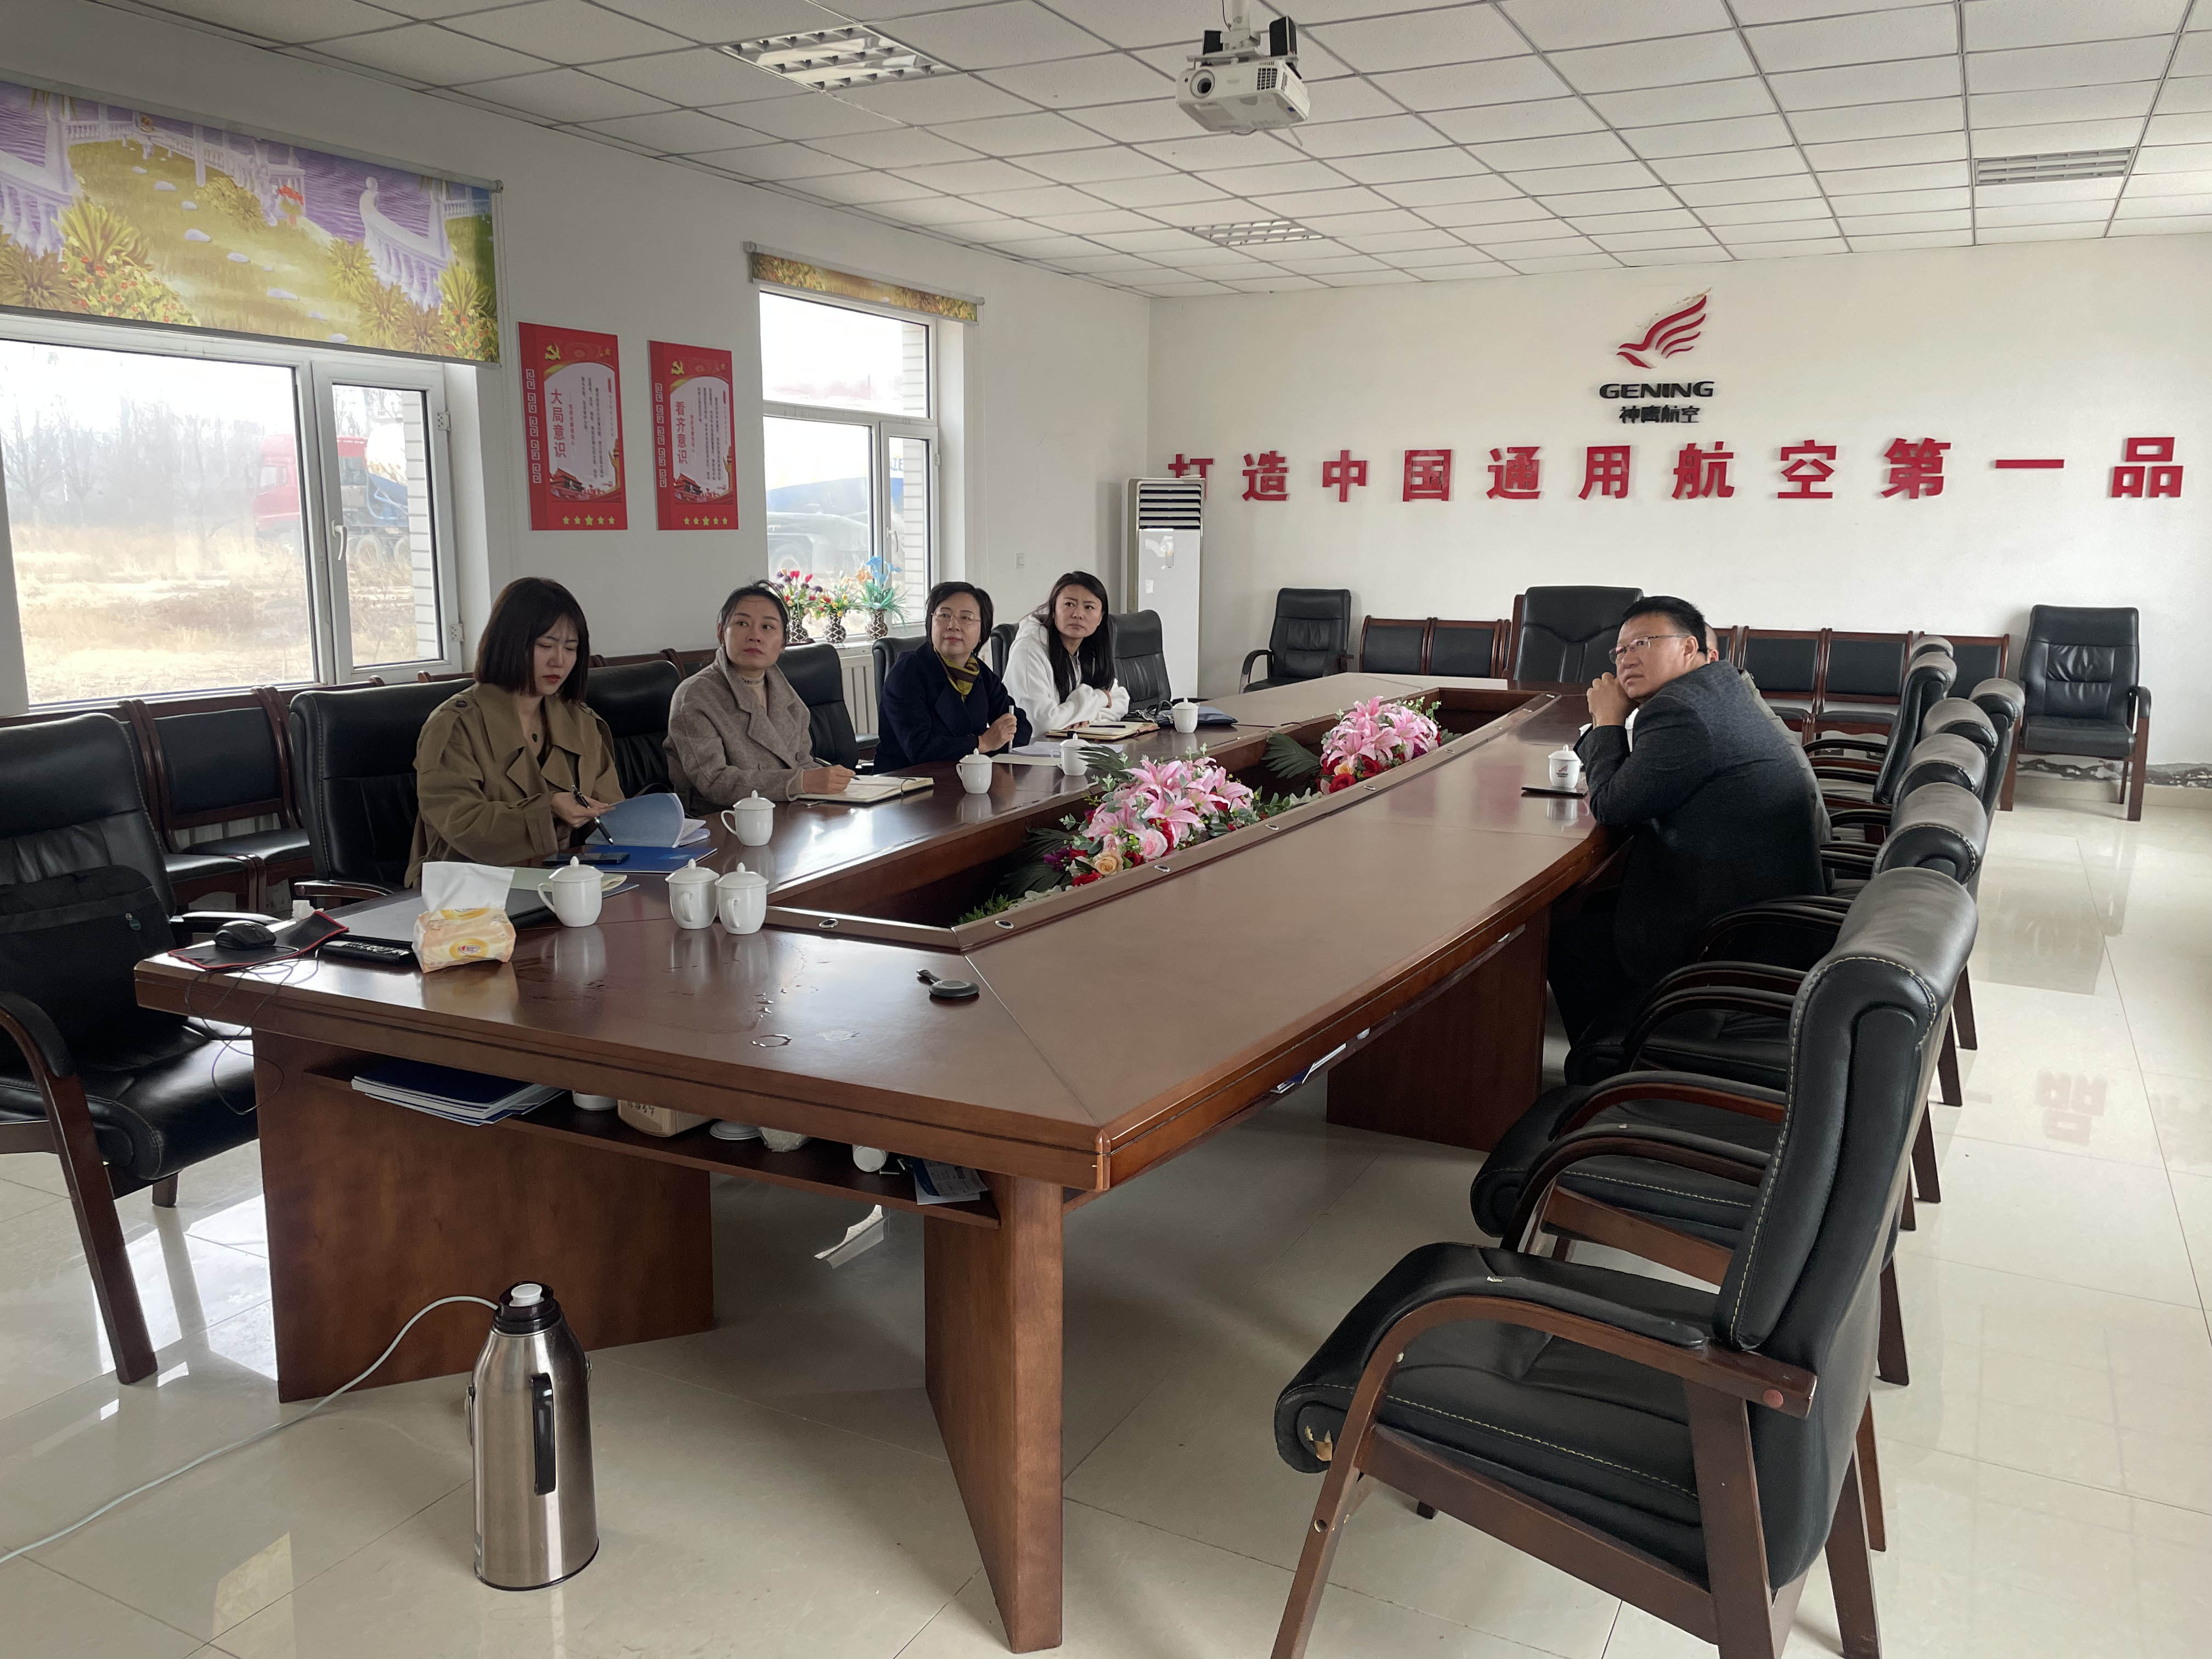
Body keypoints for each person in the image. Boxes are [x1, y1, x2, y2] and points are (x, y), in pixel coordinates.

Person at [1547, 595, 1826, 1044]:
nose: (1627, 658)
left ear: (1689, 647)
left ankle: (1619, 1059)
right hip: (1769, 912)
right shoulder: (1719, 688)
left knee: (1566, 938)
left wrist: (1607, 720)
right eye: (1620, 650)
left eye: (1643, 643)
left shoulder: (1681, 710)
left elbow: (1615, 805)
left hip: (1730, 938)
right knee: (1589, 904)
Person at [407, 577, 623, 884]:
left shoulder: (581, 720)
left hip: (567, 881)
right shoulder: (455, 725)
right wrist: (547, 810)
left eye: (571, 648)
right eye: (545, 646)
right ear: (509, 643)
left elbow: (611, 813)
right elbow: (461, 823)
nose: (559, 661)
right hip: (472, 890)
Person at [665, 583, 855, 810]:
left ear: (783, 642)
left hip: (788, 812)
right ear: (721, 633)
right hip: (722, 820)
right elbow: (714, 782)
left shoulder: (787, 695)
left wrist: (842, 785)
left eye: (767, 627)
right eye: (742, 624)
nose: (755, 636)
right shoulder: (695, 696)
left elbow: (802, 762)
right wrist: (799, 782)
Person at [873, 581, 1032, 770]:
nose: (953, 625)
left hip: (967, 775)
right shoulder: (907, 673)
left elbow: (1020, 725)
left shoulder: (978, 671)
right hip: (908, 780)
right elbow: (920, 749)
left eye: (966, 618)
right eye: (944, 615)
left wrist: (993, 743)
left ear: (982, 631)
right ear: (931, 622)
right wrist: (982, 743)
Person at [1002, 570, 1130, 733]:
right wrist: (1099, 698)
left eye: (1089, 607)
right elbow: (1041, 724)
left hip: (1071, 743)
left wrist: (1087, 718)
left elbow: (1121, 699)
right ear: (1054, 610)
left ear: (1100, 617)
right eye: (1069, 604)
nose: (1078, 614)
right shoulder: (1028, 650)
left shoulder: (1087, 649)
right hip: (1030, 748)